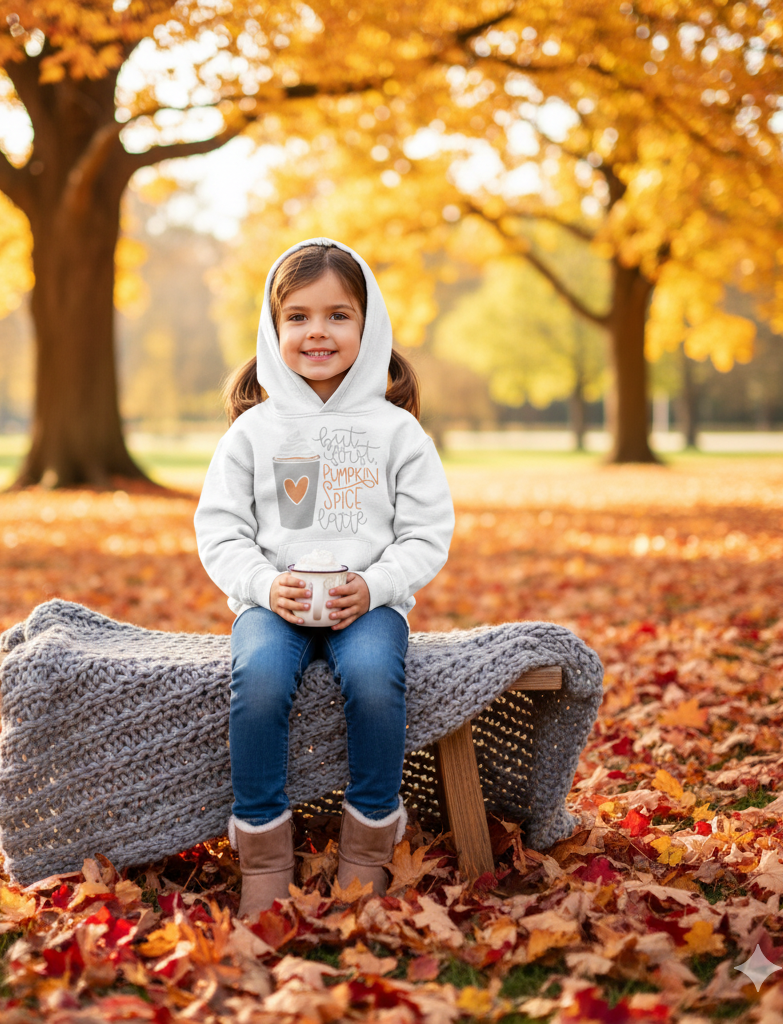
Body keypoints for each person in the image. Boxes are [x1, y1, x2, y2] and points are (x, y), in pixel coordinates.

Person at [194, 238, 455, 916]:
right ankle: (263, 851)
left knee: (373, 680)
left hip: (366, 603)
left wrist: (377, 585)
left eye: (339, 316)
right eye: (299, 317)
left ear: (369, 329)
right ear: (272, 328)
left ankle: (369, 840)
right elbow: (220, 529)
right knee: (259, 682)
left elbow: (426, 533)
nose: (318, 332)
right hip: (271, 603)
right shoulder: (252, 433)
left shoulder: (397, 432)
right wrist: (259, 584)